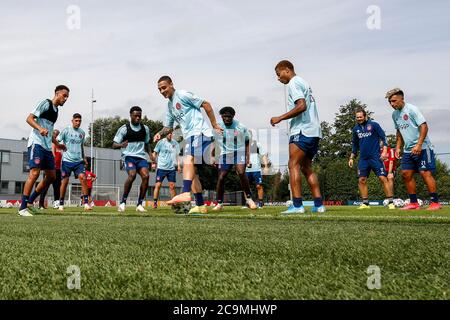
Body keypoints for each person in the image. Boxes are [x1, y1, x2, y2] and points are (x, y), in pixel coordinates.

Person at [153, 75, 223, 214]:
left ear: (171, 84)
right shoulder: (169, 105)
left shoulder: (183, 94)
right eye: (159, 89)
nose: (162, 91)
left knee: (187, 160)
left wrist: (214, 124)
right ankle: (200, 205)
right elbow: (168, 127)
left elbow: (206, 104)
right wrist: (160, 133)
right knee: (192, 173)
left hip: (199, 133)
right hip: (189, 137)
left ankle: (185, 193)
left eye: (164, 87)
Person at [270, 60, 325, 214]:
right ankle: (319, 205)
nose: (278, 78)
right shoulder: (304, 82)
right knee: (307, 167)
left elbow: (301, 106)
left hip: (302, 130)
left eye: (278, 73)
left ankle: (297, 205)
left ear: (287, 70)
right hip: (314, 131)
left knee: (292, 164)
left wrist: (280, 117)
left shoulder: (293, 83)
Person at [386, 88, 442, 210]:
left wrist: (419, 144)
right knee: (406, 174)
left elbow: (424, 126)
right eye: (390, 102)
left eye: (394, 101)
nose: (392, 104)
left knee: (425, 173)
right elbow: (399, 131)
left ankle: (435, 202)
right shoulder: (394, 114)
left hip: (423, 147)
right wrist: (398, 147)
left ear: (402, 98)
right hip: (407, 150)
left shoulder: (412, 109)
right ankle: (413, 203)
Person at [18, 85, 69, 217]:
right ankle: (22, 208)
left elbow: (50, 131)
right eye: (64, 95)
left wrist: (58, 144)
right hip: (37, 143)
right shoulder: (45, 103)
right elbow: (29, 118)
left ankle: (30, 201)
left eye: (67, 97)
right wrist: (40, 128)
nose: (66, 99)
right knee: (34, 173)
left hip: (47, 147)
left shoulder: (56, 110)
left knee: (52, 176)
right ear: (57, 93)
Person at [211, 107, 257, 211]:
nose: (227, 119)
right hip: (225, 153)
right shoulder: (218, 127)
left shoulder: (241, 127)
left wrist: (248, 158)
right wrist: (213, 156)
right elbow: (215, 142)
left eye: (229, 117)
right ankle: (219, 203)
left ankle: (249, 199)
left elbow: (246, 143)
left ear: (233, 116)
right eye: (224, 117)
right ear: (221, 117)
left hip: (239, 151)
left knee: (241, 172)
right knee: (222, 176)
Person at [348, 108, 395, 209]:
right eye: (357, 117)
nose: (359, 119)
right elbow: (355, 145)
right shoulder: (355, 129)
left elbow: (384, 137)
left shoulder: (374, 125)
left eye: (361, 117)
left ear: (365, 116)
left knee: (383, 178)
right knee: (362, 180)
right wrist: (351, 158)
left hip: (375, 157)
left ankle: (391, 202)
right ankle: (365, 203)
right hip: (363, 159)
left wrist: (385, 151)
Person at [113, 106, 151, 213]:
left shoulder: (145, 129)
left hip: (141, 157)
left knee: (146, 176)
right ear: (131, 116)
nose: (138, 118)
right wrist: (121, 144)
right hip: (128, 157)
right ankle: (123, 202)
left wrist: (151, 155)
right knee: (132, 175)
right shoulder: (124, 129)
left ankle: (139, 204)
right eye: (136, 116)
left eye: (139, 116)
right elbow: (114, 144)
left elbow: (147, 144)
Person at [57, 113, 91, 211]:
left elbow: (81, 146)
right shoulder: (66, 130)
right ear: (72, 121)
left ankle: (85, 204)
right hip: (66, 161)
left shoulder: (82, 133)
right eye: (76, 121)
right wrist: (60, 147)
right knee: (65, 181)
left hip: (78, 161)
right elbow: (57, 140)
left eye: (79, 121)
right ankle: (61, 203)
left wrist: (84, 157)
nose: (78, 122)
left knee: (83, 178)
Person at [152, 132, 181, 209]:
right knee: (158, 185)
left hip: (171, 168)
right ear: (166, 134)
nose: (170, 135)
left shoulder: (175, 143)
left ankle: (174, 203)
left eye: (171, 133)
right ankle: (155, 202)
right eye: (168, 133)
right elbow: (154, 153)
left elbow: (178, 155)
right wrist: (153, 162)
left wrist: (178, 166)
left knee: (172, 186)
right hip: (161, 168)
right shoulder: (160, 142)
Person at [38, 129, 63, 209]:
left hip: (58, 169)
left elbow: (60, 157)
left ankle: (56, 203)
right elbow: (52, 155)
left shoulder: (59, 145)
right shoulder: (50, 144)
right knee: (45, 186)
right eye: (54, 134)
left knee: (57, 186)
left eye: (57, 134)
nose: (56, 135)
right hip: (50, 168)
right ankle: (41, 204)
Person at [246, 136, 270, 209]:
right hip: (246, 170)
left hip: (256, 169)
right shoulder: (242, 145)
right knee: (246, 187)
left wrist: (266, 166)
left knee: (259, 186)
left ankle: (260, 203)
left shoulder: (257, 144)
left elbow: (263, 155)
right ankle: (248, 203)